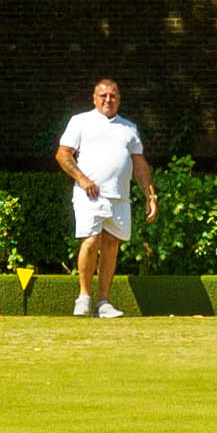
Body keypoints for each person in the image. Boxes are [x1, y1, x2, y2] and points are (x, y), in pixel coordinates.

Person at [55, 78, 157, 317]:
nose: (108, 100)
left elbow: (139, 163)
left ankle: (103, 303)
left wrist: (150, 194)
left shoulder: (129, 128)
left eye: (113, 96)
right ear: (94, 98)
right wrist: (82, 179)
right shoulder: (80, 121)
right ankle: (83, 297)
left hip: (119, 197)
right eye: (103, 96)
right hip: (89, 195)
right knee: (91, 241)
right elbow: (62, 154)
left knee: (111, 245)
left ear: (119, 99)